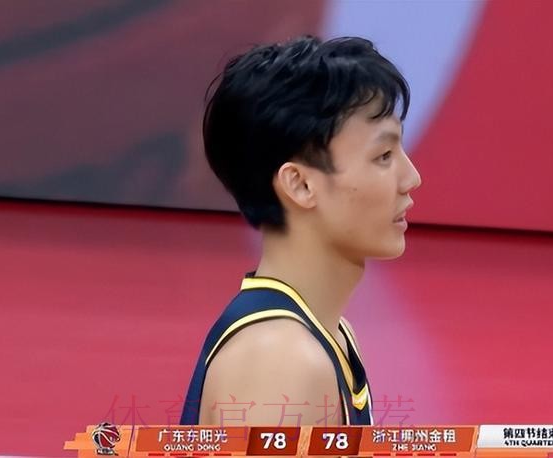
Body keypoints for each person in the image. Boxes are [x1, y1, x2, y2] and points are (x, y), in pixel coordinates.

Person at [180, 35, 422, 427]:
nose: (411, 178)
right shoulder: (281, 362)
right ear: (300, 184)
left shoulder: (331, 334)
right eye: (383, 156)